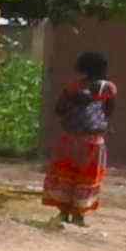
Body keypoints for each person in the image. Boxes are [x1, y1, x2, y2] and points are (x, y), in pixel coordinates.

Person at [45, 50, 116, 224]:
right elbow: (108, 112)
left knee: (66, 175)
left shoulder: (72, 86)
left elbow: (59, 110)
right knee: (87, 177)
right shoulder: (108, 88)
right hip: (93, 141)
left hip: (69, 139)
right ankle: (79, 215)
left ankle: (63, 214)